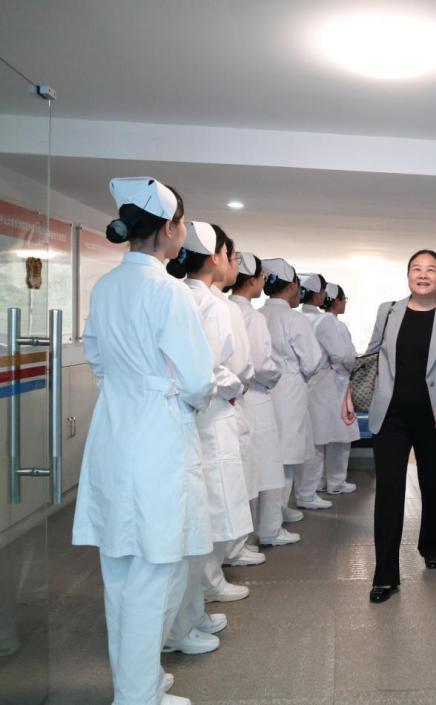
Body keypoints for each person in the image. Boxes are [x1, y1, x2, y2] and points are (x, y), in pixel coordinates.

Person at [72, 177, 213, 705]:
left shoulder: (106, 286)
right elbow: (198, 379)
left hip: (114, 430)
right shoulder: (168, 291)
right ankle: (137, 696)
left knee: (120, 570)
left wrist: (133, 387)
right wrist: (172, 394)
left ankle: (137, 683)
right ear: (170, 228)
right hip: (157, 437)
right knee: (156, 571)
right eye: (183, 224)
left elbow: (97, 358)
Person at [346, 250, 436, 604]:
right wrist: (348, 391)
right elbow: (370, 355)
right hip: (392, 416)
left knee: (433, 484)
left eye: (431, 269)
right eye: (417, 269)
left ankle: (434, 544)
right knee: (388, 491)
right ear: (408, 276)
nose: (423, 274)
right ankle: (385, 574)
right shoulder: (388, 311)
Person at [164, 221, 253, 658]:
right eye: (231, 255)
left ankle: (193, 612)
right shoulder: (210, 305)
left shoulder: (187, 295)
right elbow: (212, 369)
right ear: (215, 257)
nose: (232, 263)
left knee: (203, 522)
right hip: (209, 412)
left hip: (195, 415)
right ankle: (183, 620)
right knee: (206, 520)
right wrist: (234, 387)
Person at [229, 253, 300, 546]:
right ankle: (269, 530)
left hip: (231, 400)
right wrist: (275, 377)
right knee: (266, 468)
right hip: (256, 396)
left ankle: (241, 538)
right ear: (253, 280)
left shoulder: (226, 307)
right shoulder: (251, 316)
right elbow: (262, 364)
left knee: (241, 471)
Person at [214, 226, 265, 570]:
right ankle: (224, 559)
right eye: (231, 256)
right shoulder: (225, 307)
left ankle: (217, 563)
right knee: (228, 486)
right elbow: (244, 366)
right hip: (226, 402)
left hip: (208, 403)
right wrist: (234, 389)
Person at [259, 258, 323, 527]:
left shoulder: (259, 314)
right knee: (285, 454)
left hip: (260, 390)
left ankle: (272, 512)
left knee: (266, 453)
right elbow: (312, 361)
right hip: (289, 389)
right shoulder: (294, 319)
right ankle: (273, 518)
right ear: (293, 286)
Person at [309, 283, 360, 494]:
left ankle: (319, 481)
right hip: (335, 384)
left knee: (321, 435)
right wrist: (351, 367)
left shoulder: (316, 320)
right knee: (339, 436)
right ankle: (336, 482)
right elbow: (344, 356)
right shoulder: (332, 323)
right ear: (337, 301)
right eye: (344, 299)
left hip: (321, 385)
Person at [295, 272, 334, 509]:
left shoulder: (296, 316)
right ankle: (308, 493)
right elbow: (339, 354)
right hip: (319, 383)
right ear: (317, 293)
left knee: (298, 440)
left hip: (296, 387)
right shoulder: (324, 321)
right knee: (316, 440)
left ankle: (301, 492)